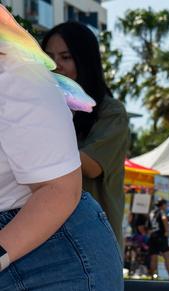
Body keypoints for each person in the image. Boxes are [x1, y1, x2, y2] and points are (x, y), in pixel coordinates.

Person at [0, 13, 123, 291]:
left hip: (51, 257)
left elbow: (60, 187)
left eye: (67, 56)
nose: (59, 64)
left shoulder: (15, 76)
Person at [42, 22, 130, 254]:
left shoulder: (111, 112)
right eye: (48, 56)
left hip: (93, 245)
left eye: (66, 56)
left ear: (85, 60)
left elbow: (90, 166)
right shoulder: (37, 106)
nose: (55, 64)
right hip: (42, 239)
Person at [148, 199, 169, 281]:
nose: (167, 206)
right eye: (166, 205)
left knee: (153, 258)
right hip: (161, 237)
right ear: (162, 205)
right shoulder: (161, 211)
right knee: (167, 257)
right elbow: (164, 219)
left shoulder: (152, 213)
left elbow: (149, 226)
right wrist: (167, 230)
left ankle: (152, 277)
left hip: (153, 237)